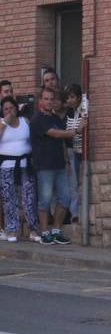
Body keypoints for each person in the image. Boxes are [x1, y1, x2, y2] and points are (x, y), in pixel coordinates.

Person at [28, 87, 77, 245]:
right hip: (44, 166)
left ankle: (56, 231)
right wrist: (74, 131)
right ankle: (44, 232)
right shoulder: (37, 119)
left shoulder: (55, 118)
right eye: (46, 99)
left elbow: (61, 141)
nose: (49, 101)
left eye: (51, 99)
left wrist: (67, 161)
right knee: (45, 201)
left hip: (60, 166)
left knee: (65, 199)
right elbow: (55, 134)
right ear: (40, 101)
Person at [0, 96, 41, 243]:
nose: (9, 111)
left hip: (25, 165)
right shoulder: (1, 123)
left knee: (29, 198)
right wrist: (5, 122)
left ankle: (33, 230)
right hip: (7, 167)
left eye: (11, 108)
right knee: (9, 199)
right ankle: (12, 230)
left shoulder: (25, 122)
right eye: (6, 109)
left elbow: (32, 140)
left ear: (16, 109)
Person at [61, 83, 88, 225]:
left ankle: (77, 212)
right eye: (68, 97)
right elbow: (65, 135)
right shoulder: (69, 113)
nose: (70, 100)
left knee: (79, 183)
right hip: (72, 151)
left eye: (72, 97)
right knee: (73, 184)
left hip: (81, 151)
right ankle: (74, 214)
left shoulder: (83, 110)